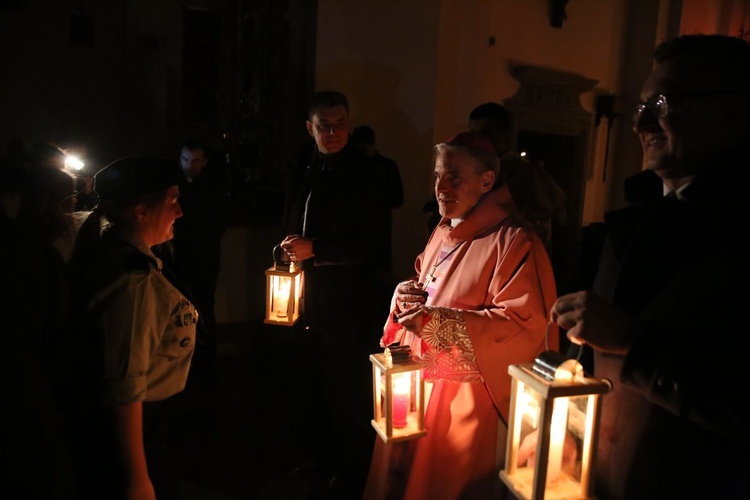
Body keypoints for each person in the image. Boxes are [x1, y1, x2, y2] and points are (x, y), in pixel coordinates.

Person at [549, 34, 750, 499]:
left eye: (664, 102)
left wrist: (635, 342)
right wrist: (570, 436)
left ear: (735, 112)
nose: (640, 122)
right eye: (641, 105)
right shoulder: (629, 224)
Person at [364, 131, 558, 499]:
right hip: (417, 384)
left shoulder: (515, 241)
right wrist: (403, 293)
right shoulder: (444, 228)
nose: (441, 187)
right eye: (438, 175)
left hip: (465, 402)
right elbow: (423, 277)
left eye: (455, 177)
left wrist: (434, 323)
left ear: (487, 180)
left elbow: (522, 326)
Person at [66, 156, 198, 499]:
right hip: (137, 431)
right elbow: (124, 385)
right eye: (172, 201)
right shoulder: (131, 281)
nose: (180, 212)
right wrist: (137, 479)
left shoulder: (120, 256)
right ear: (141, 211)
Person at [279, 90, 389, 498]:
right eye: (324, 125)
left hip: (347, 302)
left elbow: (372, 243)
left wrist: (317, 248)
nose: (334, 132)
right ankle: (314, 456)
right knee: (307, 381)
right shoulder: (301, 168)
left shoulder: (366, 173)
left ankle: (348, 470)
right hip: (304, 297)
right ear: (310, 128)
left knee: (345, 388)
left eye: (340, 123)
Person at [468, 102, 568, 250]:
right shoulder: (469, 170)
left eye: (486, 132)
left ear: (505, 134)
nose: (479, 139)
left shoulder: (528, 172)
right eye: (474, 133)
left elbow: (559, 217)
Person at [168, 137, 228, 379]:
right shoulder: (175, 186)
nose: (189, 165)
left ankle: (204, 360)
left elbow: (218, 224)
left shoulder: (213, 189)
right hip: (182, 256)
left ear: (204, 162)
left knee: (204, 304)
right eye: (185, 160)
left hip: (204, 256)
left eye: (194, 161)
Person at [350, 124, 404, 275]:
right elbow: (398, 199)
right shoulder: (386, 166)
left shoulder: (383, 167)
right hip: (376, 232)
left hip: (370, 234)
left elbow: (398, 199)